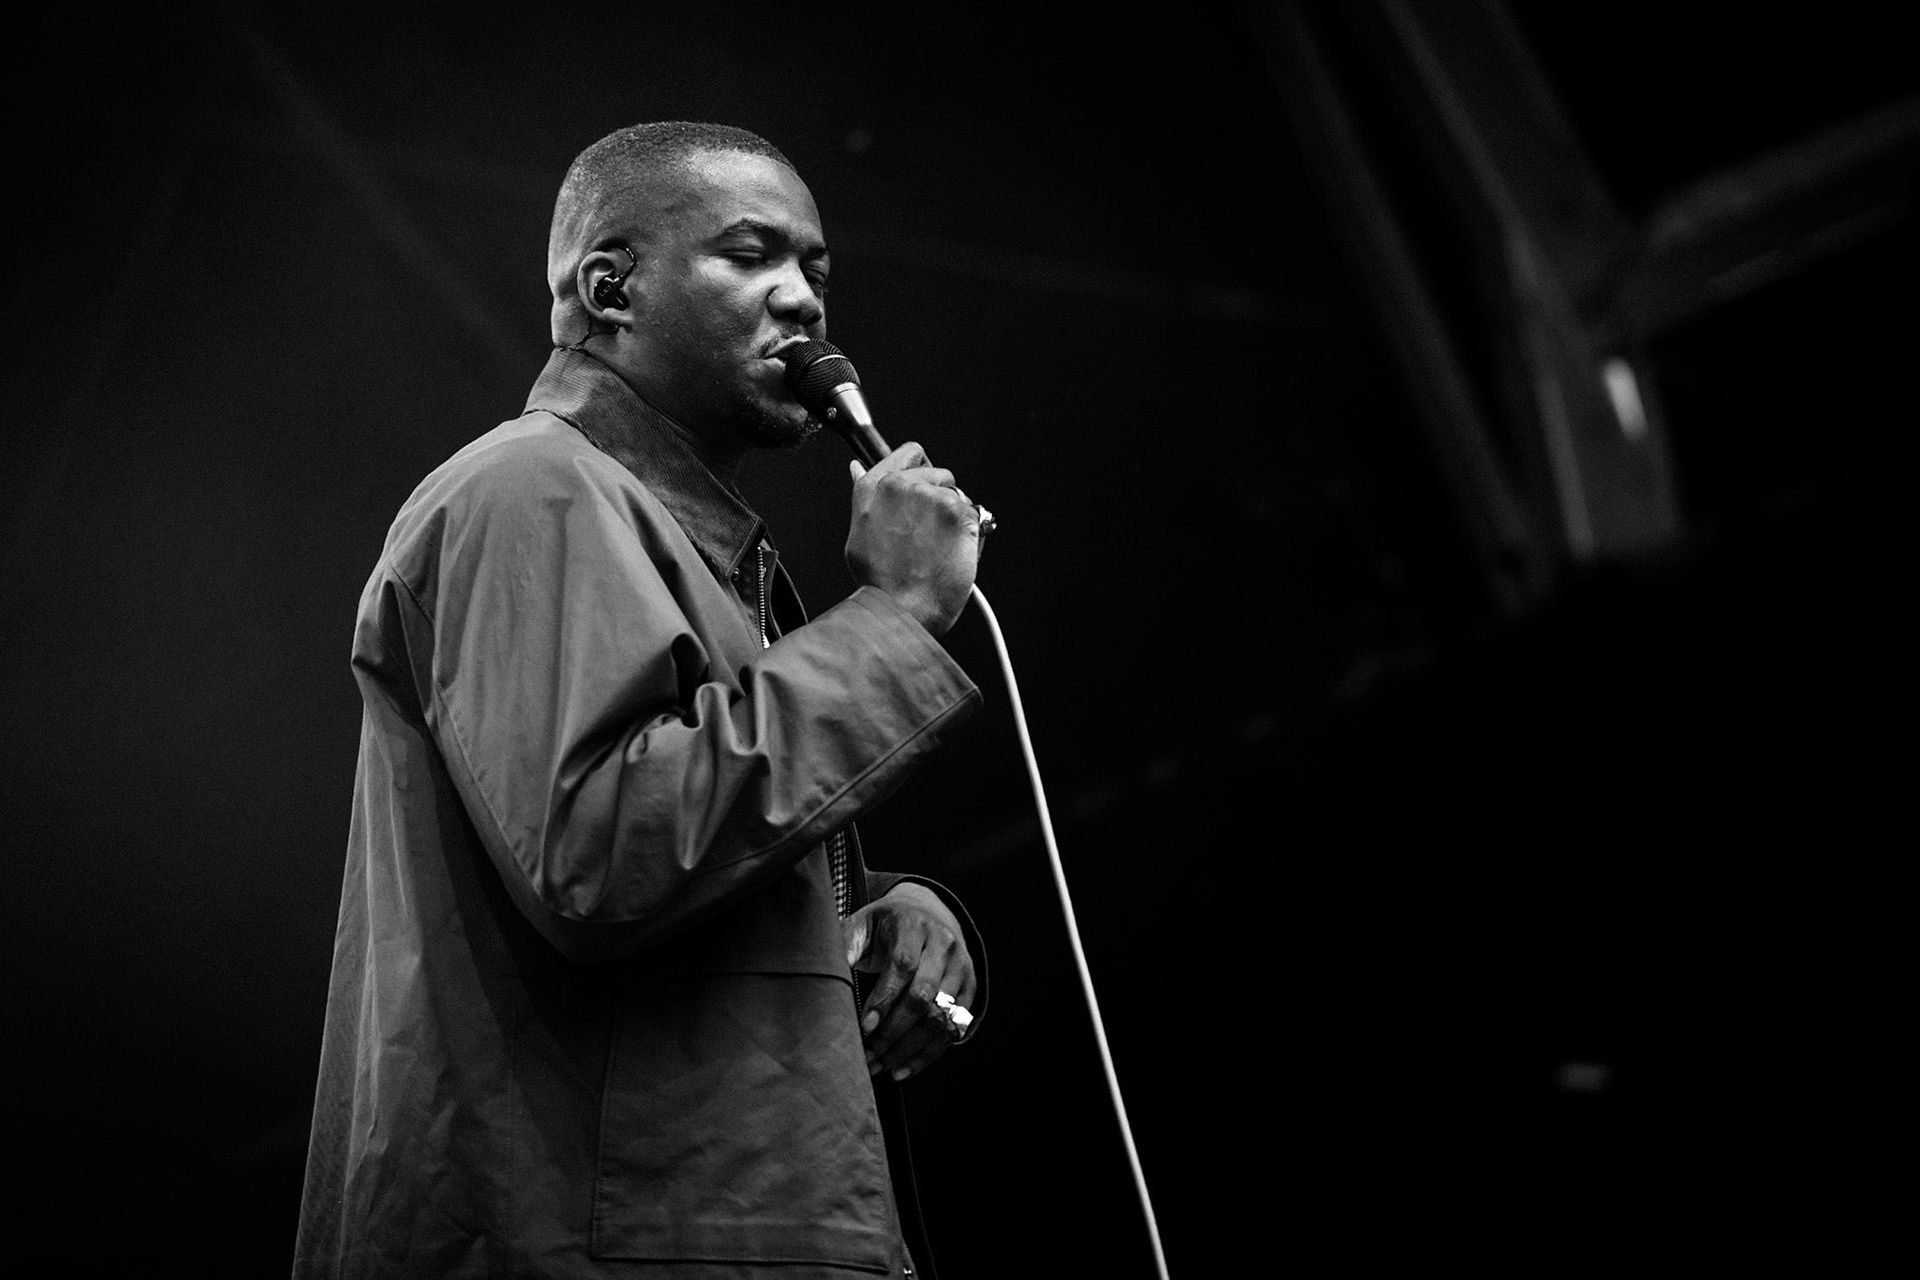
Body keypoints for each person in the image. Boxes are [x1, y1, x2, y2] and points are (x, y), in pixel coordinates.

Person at [293, 121, 989, 1280]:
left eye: (815, 269)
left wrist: (877, 911)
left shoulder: (689, 547)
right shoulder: (531, 486)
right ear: (610, 289)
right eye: (752, 255)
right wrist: (895, 618)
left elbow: (690, 853)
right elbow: (601, 847)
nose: (802, 298)